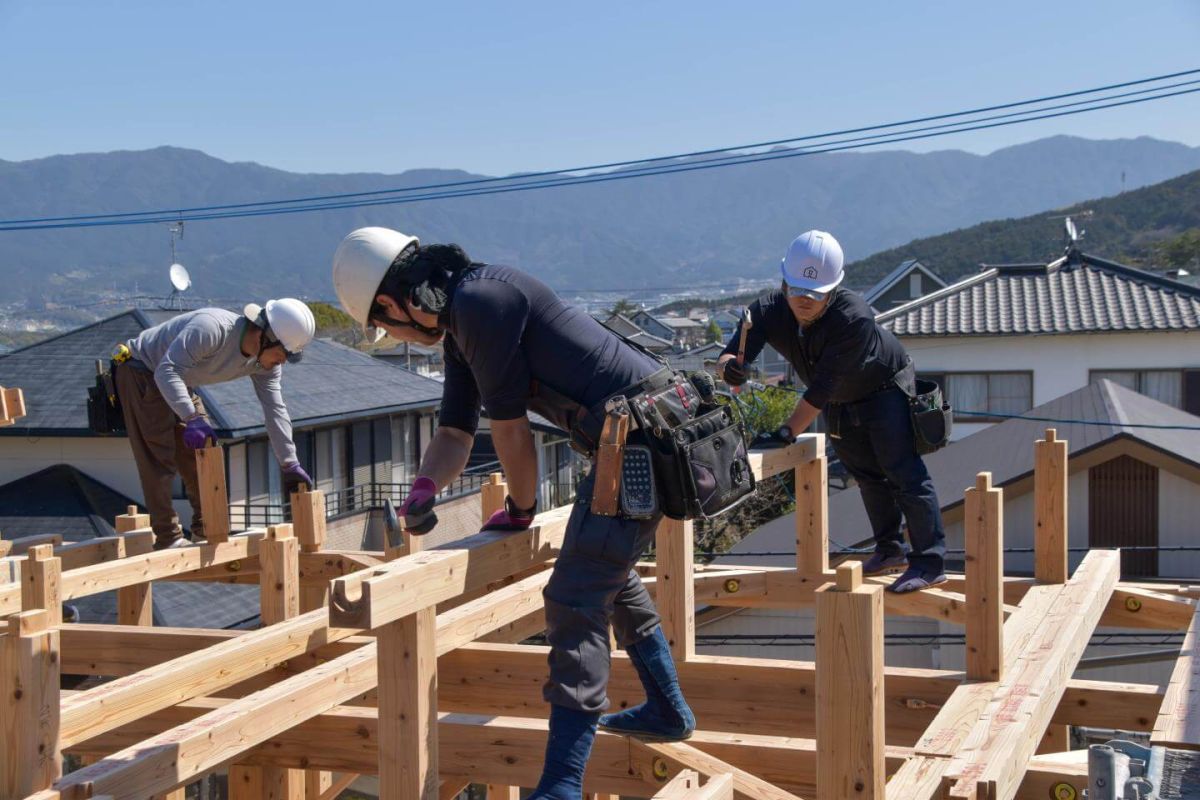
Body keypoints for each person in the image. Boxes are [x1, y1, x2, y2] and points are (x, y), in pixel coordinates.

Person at [332, 227, 696, 800]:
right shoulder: (463, 320)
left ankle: (560, 786)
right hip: (629, 438)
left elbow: (510, 428)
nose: (391, 333)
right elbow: (455, 430)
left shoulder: (480, 303)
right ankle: (667, 707)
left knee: (574, 598)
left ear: (391, 302)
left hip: (642, 438)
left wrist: (521, 510)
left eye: (384, 324)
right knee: (607, 571)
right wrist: (425, 486)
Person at [718, 230, 946, 593]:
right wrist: (730, 366)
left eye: (816, 293)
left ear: (834, 289)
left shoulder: (853, 317)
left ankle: (930, 562)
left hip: (883, 387)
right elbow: (732, 353)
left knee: (903, 472)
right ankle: (890, 550)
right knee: (866, 474)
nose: (805, 301)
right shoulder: (766, 311)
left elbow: (821, 390)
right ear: (783, 282)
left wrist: (786, 432)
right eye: (797, 290)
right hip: (841, 398)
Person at [115, 300, 316, 549]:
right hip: (142, 371)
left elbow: (275, 409)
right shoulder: (212, 330)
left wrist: (289, 463)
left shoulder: (265, 364)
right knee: (158, 457)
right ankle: (168, 537)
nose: (283, 362)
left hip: (178, 378)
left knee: (205, 450)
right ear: (266, 336)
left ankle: (206, 531)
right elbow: (166, 371)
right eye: (284, 354)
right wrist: (191, 417)